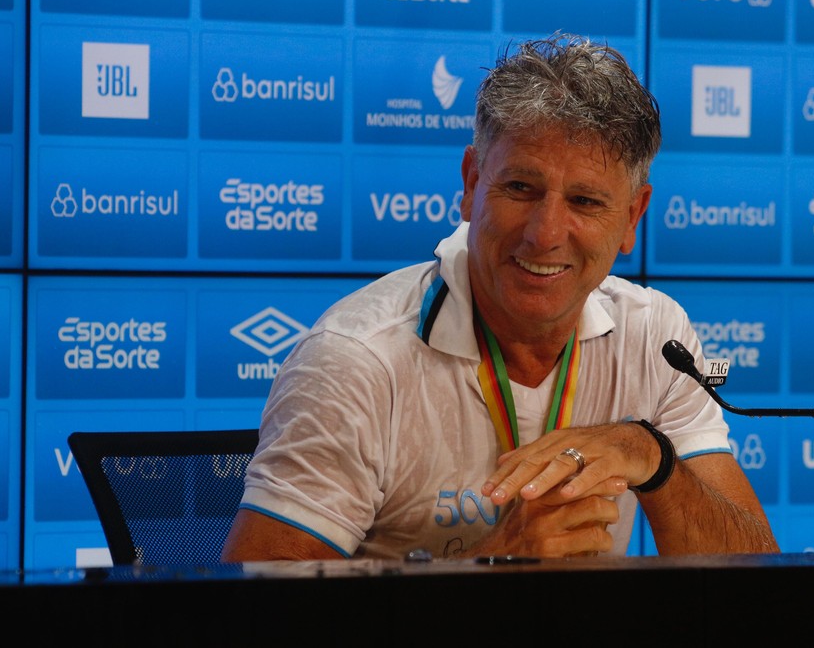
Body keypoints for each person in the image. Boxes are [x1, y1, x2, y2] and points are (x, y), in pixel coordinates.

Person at [221, 32, 779, 562]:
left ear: (633, 218)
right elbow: (255, 617)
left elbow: (761, 589)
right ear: (470, 184)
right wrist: (492, 570)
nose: (545, 233)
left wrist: (652, 458)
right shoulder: (356, 361)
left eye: (585, 201)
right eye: (520, 188)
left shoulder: (657, 338)